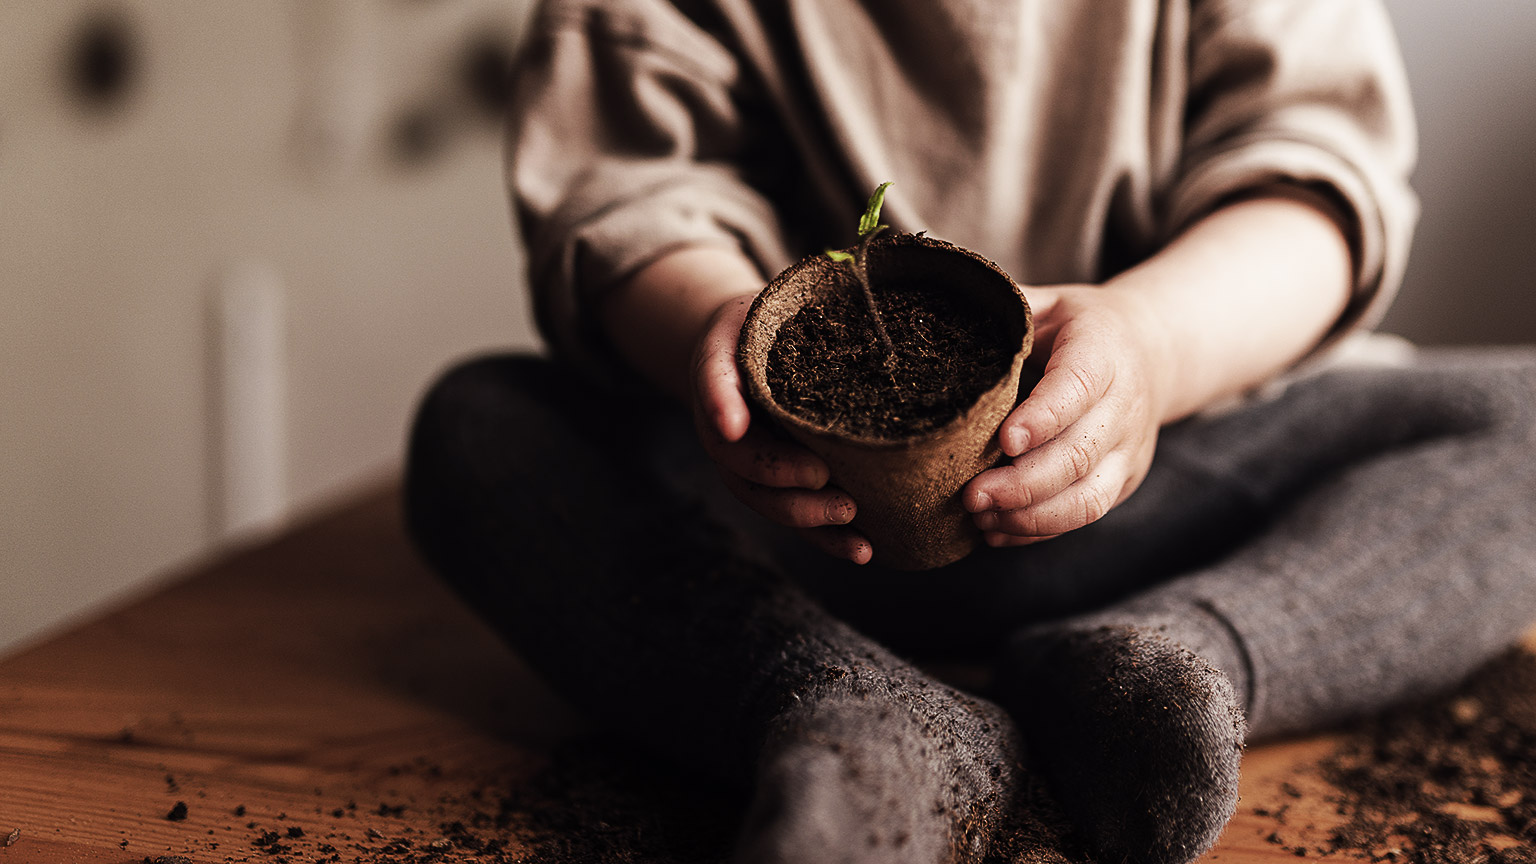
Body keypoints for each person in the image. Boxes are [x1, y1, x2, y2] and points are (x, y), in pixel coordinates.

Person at [403, 2, 1536, 862]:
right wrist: (716, 322)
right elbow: (626, 193)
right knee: (484, 428)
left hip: (1161, 485)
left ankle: (1168, 658)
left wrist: (1154, 345)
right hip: (798, 518)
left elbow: (1314, 182)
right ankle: (848, 705)